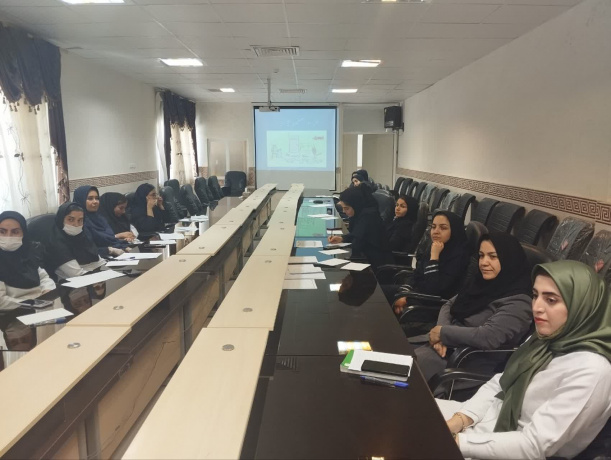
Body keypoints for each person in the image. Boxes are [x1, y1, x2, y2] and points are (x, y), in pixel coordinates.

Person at [438, 260, 611, 459]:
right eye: (535, 295)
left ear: (582, 306)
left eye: (551, 300)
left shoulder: (592, 370)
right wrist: (460, 419)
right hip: (484, 421)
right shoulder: (544, 338)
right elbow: (502, 383)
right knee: (414, 413)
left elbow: (533, 446)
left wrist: (457, 442)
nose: (536, 307)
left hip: (508, 449)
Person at [415, 232, 533, 382]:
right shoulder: (481, 282)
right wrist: (440, 333)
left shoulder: (520, 301)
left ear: (509, 259)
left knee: (401, 371)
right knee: (394, 353)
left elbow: (487, 337)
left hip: (463, 362)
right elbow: (449, 304)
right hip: (443, 347)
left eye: (493, 256)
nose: (483, 262)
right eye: (481, 256)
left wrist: (443, 333)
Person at [391, 210, 471, 313]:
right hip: (417, 294)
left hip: (431, 305)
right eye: (433, 227)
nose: (436, 231)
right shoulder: (434, 247)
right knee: (379, 292)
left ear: (454, 231)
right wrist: (405, 293)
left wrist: (434, 258)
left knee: (382, 302)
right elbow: (417, 273)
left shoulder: (458, 257)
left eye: (443, 228)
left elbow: (432, 290)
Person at [0, 211, 56, 310]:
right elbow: (2, 302)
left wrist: (48, 291)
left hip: (42, 304)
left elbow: (44, 277)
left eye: (15, 232)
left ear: (24, 234)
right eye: (2, 232)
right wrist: (33, 303)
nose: (8, 236)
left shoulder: (28, 252)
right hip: (15, 312)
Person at [328, 186, 393, 270]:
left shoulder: (368, 217)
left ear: (356, 205)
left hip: (376, 266)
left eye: (346, 208)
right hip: (366, 259)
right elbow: (356, 234)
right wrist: (342, 238)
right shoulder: (360, 214)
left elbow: (357, 243)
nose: (344, 211)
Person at [46, 202, 105, 279]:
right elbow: (77, 274)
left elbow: (100, 261)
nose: (76, 225)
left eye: (80, 220)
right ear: (61, 220)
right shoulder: (56, 243)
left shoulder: (83, 236)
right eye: (70, 219)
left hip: (94, 276)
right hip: (73, 283)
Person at [73, 186, 129, 257]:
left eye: (97, 198)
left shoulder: (100, 219)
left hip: (111, 256)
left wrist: (124, 247)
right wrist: (109, 250)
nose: (95, 201)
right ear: (81, 200)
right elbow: (86, 249)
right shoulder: (79, 222)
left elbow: (111, 240)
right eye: (90, 198)